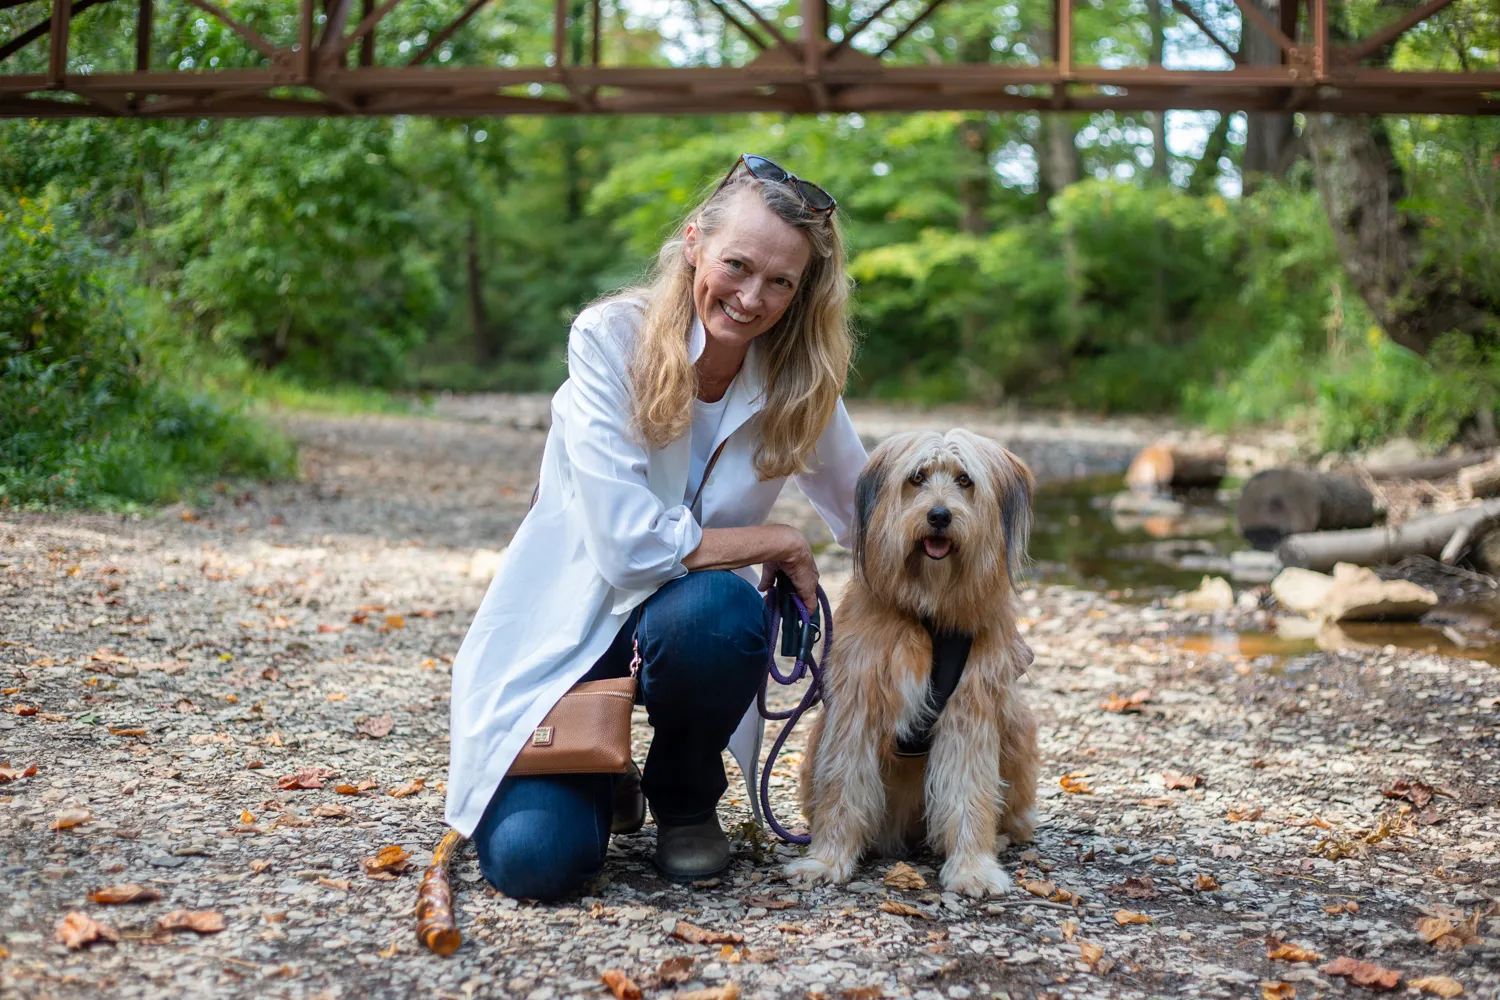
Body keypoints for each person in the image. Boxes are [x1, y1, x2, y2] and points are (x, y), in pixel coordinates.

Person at [444, 155, 867, 900]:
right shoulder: (609, 337)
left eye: (780, 282)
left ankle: (684, 796)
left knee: (718, 608)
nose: (750, 298)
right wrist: (778, 541)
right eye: (737, 264)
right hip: (568, 634)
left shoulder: (799, 376)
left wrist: (981, 623)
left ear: (803, 292)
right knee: (534, 864)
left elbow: (874, 516)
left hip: (696, 634)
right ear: (694, 240)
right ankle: (602, 772)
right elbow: (631, 549)